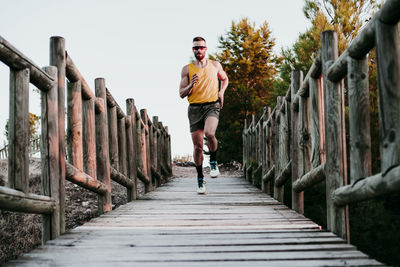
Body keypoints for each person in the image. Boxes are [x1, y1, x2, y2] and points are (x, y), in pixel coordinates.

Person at [179, 36, 229, 194]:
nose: (198, 50)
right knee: (198, 147)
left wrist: (221, 91)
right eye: (195, 48)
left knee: (210, 133)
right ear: (193, 50)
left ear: (206, 49)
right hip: (194, 109)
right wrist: (191, 85)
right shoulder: (187, 69)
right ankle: (200, 178)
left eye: (201, 47)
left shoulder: (215, 65)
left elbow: (225, 78)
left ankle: (213, 161)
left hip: (211, 105)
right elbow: (181, 93)